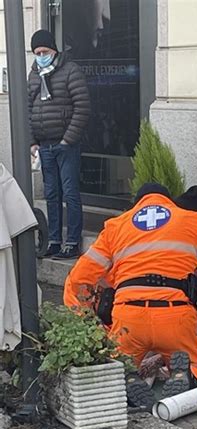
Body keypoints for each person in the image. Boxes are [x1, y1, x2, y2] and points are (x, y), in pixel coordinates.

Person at [64, 183, 197, 396]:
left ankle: (126, 375)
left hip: (129, 316)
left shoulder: (116, 226)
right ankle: (187, 375)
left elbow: (79, 279)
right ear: (169, 200)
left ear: (137, 204)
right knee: (194, 362)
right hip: (175, 314)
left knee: (118, 360)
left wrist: (88, 318)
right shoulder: (192, 220)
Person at [28, 29, 90, 259]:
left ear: (54, 50)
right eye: (37, 52)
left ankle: (72, 242)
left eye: (44, 51)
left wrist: (67, 139)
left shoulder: (70, 71)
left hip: (66, 145)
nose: (41, 55)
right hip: (44, 145)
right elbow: (28, 109)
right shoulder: (34, 74)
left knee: (70, 193)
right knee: (51, 194)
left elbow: (82, 107)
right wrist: (32, 142)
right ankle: (54, 240)